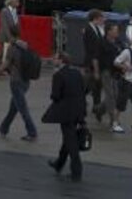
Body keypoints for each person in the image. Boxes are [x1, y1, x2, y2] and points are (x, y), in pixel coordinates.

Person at [42, 52, 87, 182]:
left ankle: (76, 170)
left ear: (61, 61)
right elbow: (83, 90)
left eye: (55, 58)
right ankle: (59, 163)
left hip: (66, 112)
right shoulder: (77, 73)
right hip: (78, 110)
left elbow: (55, 95)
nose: (53, 60)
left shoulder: (58, 75)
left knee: (70, 141)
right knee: (68, 138)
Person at [0, 30, 38, 141]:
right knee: (13, 107)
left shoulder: (12, 48)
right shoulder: (25, 46)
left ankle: (32, 132)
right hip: (26, 81)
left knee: (22, 109)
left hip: (16, 81)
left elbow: (6, 63)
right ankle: (3, 128)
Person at [98, 23, 123, 133]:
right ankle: (112, 118)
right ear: (108, 31)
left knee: (116, 94)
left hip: (116, 71)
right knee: (110, 95)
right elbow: (96, 57)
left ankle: (99, 109)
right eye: (115, 30)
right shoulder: (102, 43)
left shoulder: (118, 42)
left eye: (117, 30)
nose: (117, 32)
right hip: (106, 71)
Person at [82, 9, 105, 121]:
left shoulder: (96, 29)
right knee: (91, 84)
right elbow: (91, 48)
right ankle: (94, 106)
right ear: (95, 18)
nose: (103, 20)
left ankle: (96, 106)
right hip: (92, 62)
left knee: (96, 86)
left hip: (97, 62)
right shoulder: (88, 29)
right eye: (101, 18)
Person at [0, 0, 21, 68]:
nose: (18, 2)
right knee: (1, 52)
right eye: (16, 1)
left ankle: (6, 67)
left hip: (14, 34)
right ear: (12, 1)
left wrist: (18, 34)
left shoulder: (14, 11)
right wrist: (9, 37)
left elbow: (16, 23)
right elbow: (4, 26)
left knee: (9, 52)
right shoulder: (4, 11)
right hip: (5, 35)